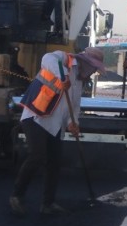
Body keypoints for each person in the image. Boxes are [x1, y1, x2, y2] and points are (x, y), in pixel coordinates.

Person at [10, 46, 106, 216]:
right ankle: (17, 195)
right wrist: (61, 76)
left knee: (54, 162)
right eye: (94, 68)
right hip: (36, 117)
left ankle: (48, 203)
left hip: (55, 125)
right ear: (87, 63)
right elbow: (47, 58)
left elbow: (74, 106)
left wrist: (73, 123)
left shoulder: (80, 80)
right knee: (37, 155)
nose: (93, 73)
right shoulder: (63, 59)